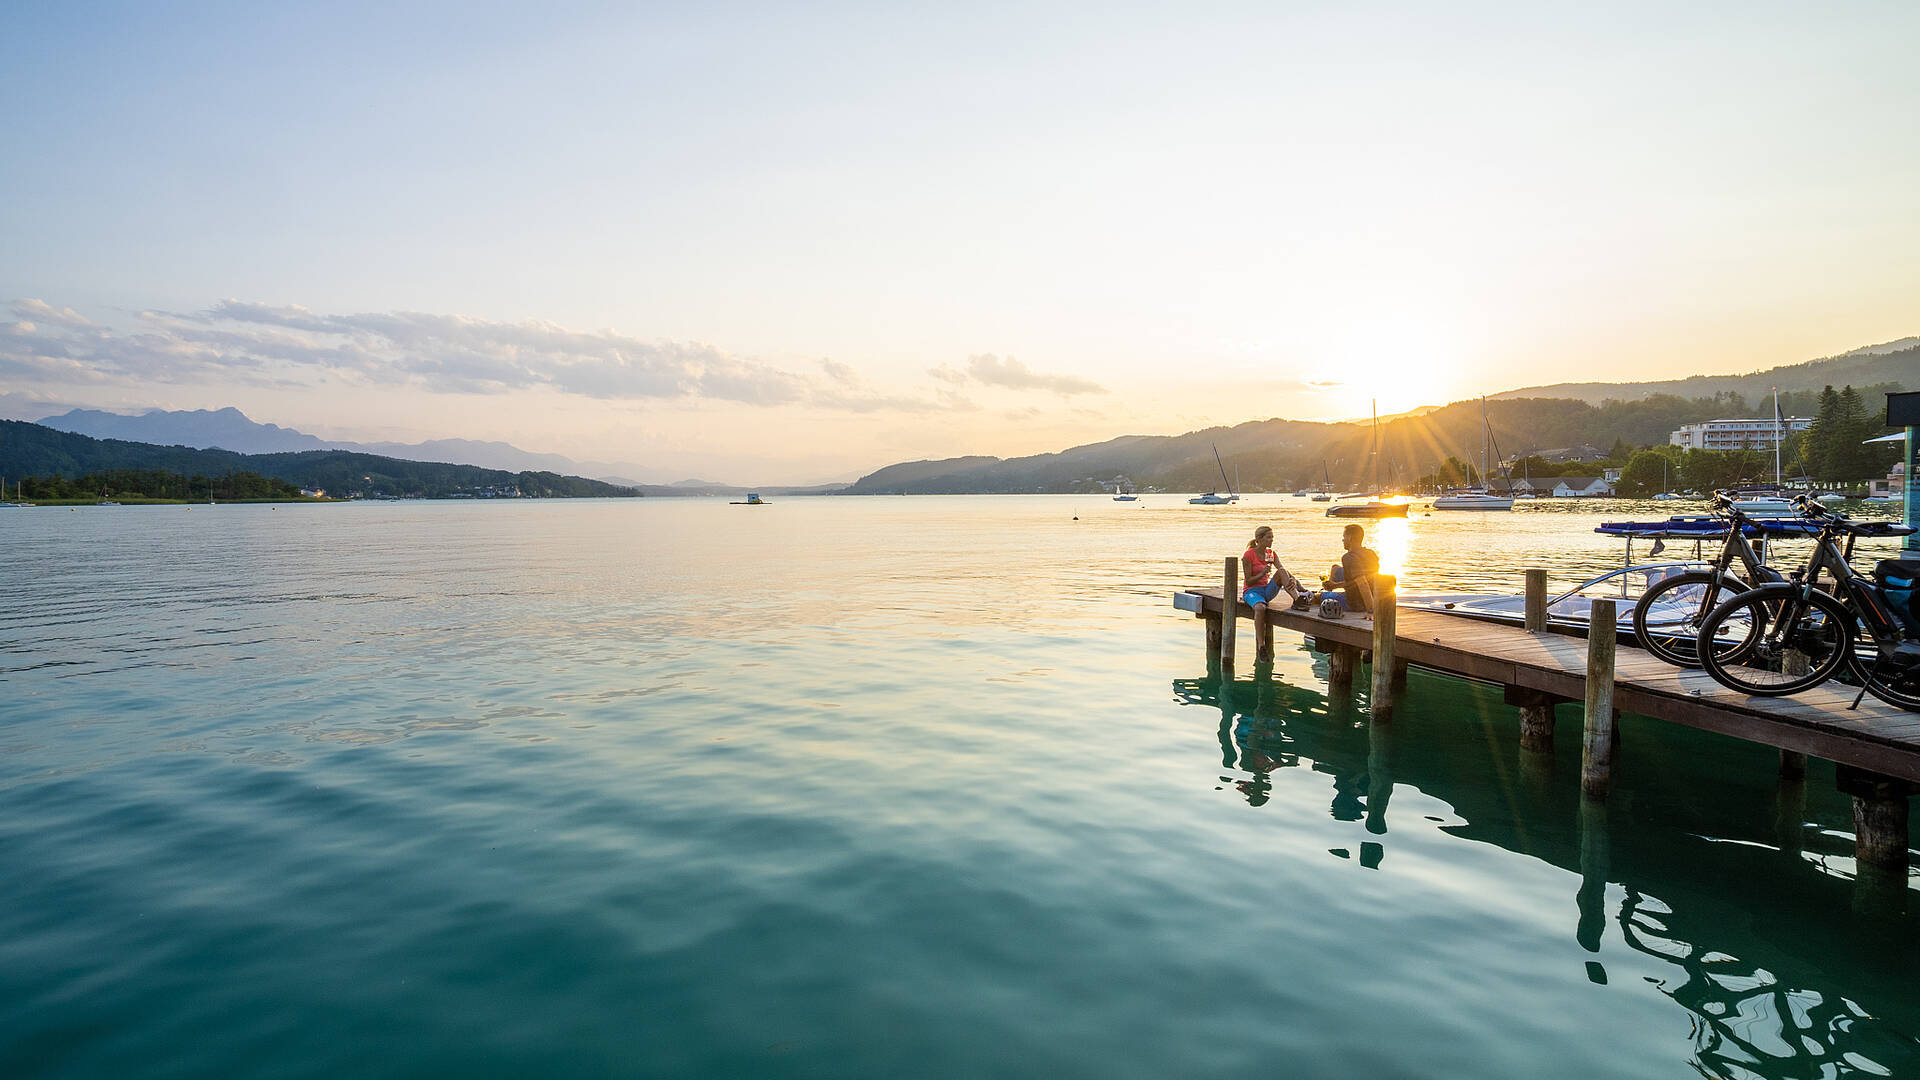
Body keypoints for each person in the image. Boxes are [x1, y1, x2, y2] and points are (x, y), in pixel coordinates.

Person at [1242, 526, 1305, 661]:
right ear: (1259, 539)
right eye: (1268, 537)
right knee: (1260, 608)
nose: (1271, 540)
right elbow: (1249, 581)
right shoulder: (1249, 555)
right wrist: (1262, 573)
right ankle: (1261, 646)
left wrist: (1292, 579)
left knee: (1282, 571)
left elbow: (1282, 570)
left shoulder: (1271, 553)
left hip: (1267, 590)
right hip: (1252, 591)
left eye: (1272, 537)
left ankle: (1297, 599)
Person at [1325, 523, 1380, 612]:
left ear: (1350, 538)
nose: (1343, 540)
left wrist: (1370, 610)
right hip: (1373, 595)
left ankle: (1328, 593)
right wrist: (1335, 585)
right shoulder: (1371, 553)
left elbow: (1363, 583)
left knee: (1318, 597)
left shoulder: (1348, 557)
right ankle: (1330, 589)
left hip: (1355, 603)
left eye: (1344, 537)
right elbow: (1364, 579)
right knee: (1335, 568)